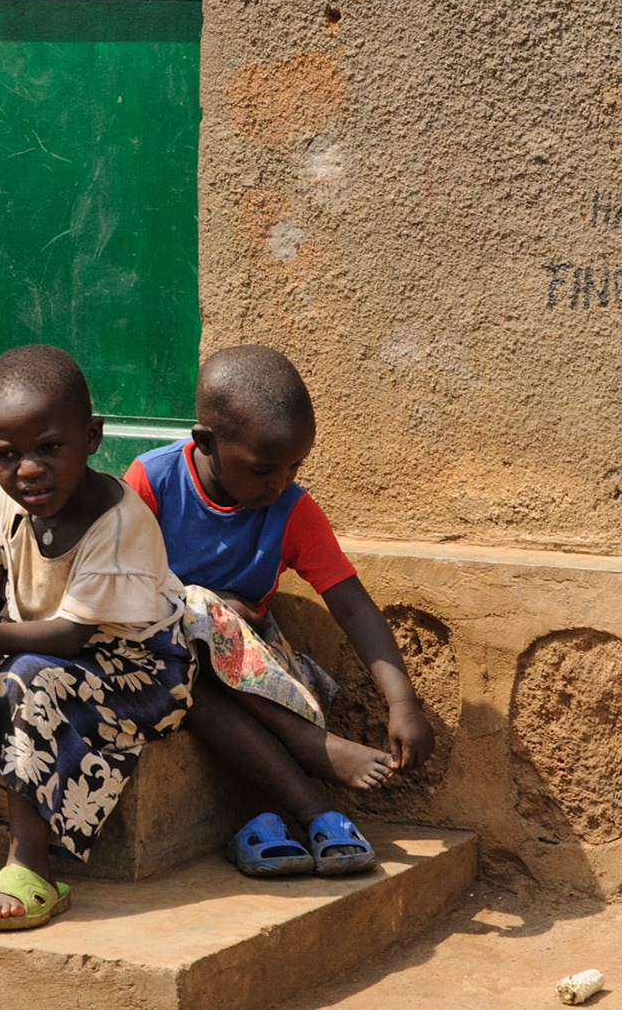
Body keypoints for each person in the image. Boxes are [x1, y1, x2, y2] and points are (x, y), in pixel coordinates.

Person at [0, 346, 192, 931]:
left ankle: (31, 866)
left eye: (50, 448)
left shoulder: (119, 522)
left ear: (92, 437)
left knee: (26, 676)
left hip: (141, 673)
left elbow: (72, 636)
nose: (28, 470)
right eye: (7, 456)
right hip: (38, 650)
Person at [123, 344, 434, 877]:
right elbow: (121, 588)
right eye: (265, 468)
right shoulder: (152, 482)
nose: (280, 481)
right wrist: (206, 604)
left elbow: (353, 607)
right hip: (159, 656)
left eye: (295, 466)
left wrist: (402, 701)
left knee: (206, 661)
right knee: (191, 622)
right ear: (206, 442)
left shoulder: (291, 509)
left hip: (252, 672)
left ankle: (276, 816)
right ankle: (312, 782)